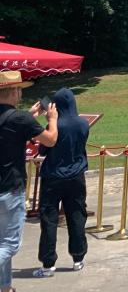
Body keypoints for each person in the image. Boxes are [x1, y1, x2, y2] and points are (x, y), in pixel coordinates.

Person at [0, 70, 58, 292]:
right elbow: (50, 140)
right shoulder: (20, 119)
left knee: (1, 242)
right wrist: (52, 120)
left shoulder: (19, 119)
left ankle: (5, 287)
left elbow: (12, 129)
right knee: (10, 244)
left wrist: (30, 115)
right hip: (10, 188)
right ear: (15, 91)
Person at [34, 88, 89, 277]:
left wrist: (49, 122)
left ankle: (48, 262)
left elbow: (43, 149)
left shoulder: (55, 125)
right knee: (76, 215)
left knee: (49, 218)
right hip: (76, 175)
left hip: (53, 176)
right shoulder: (83, 123)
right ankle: (78, 257)